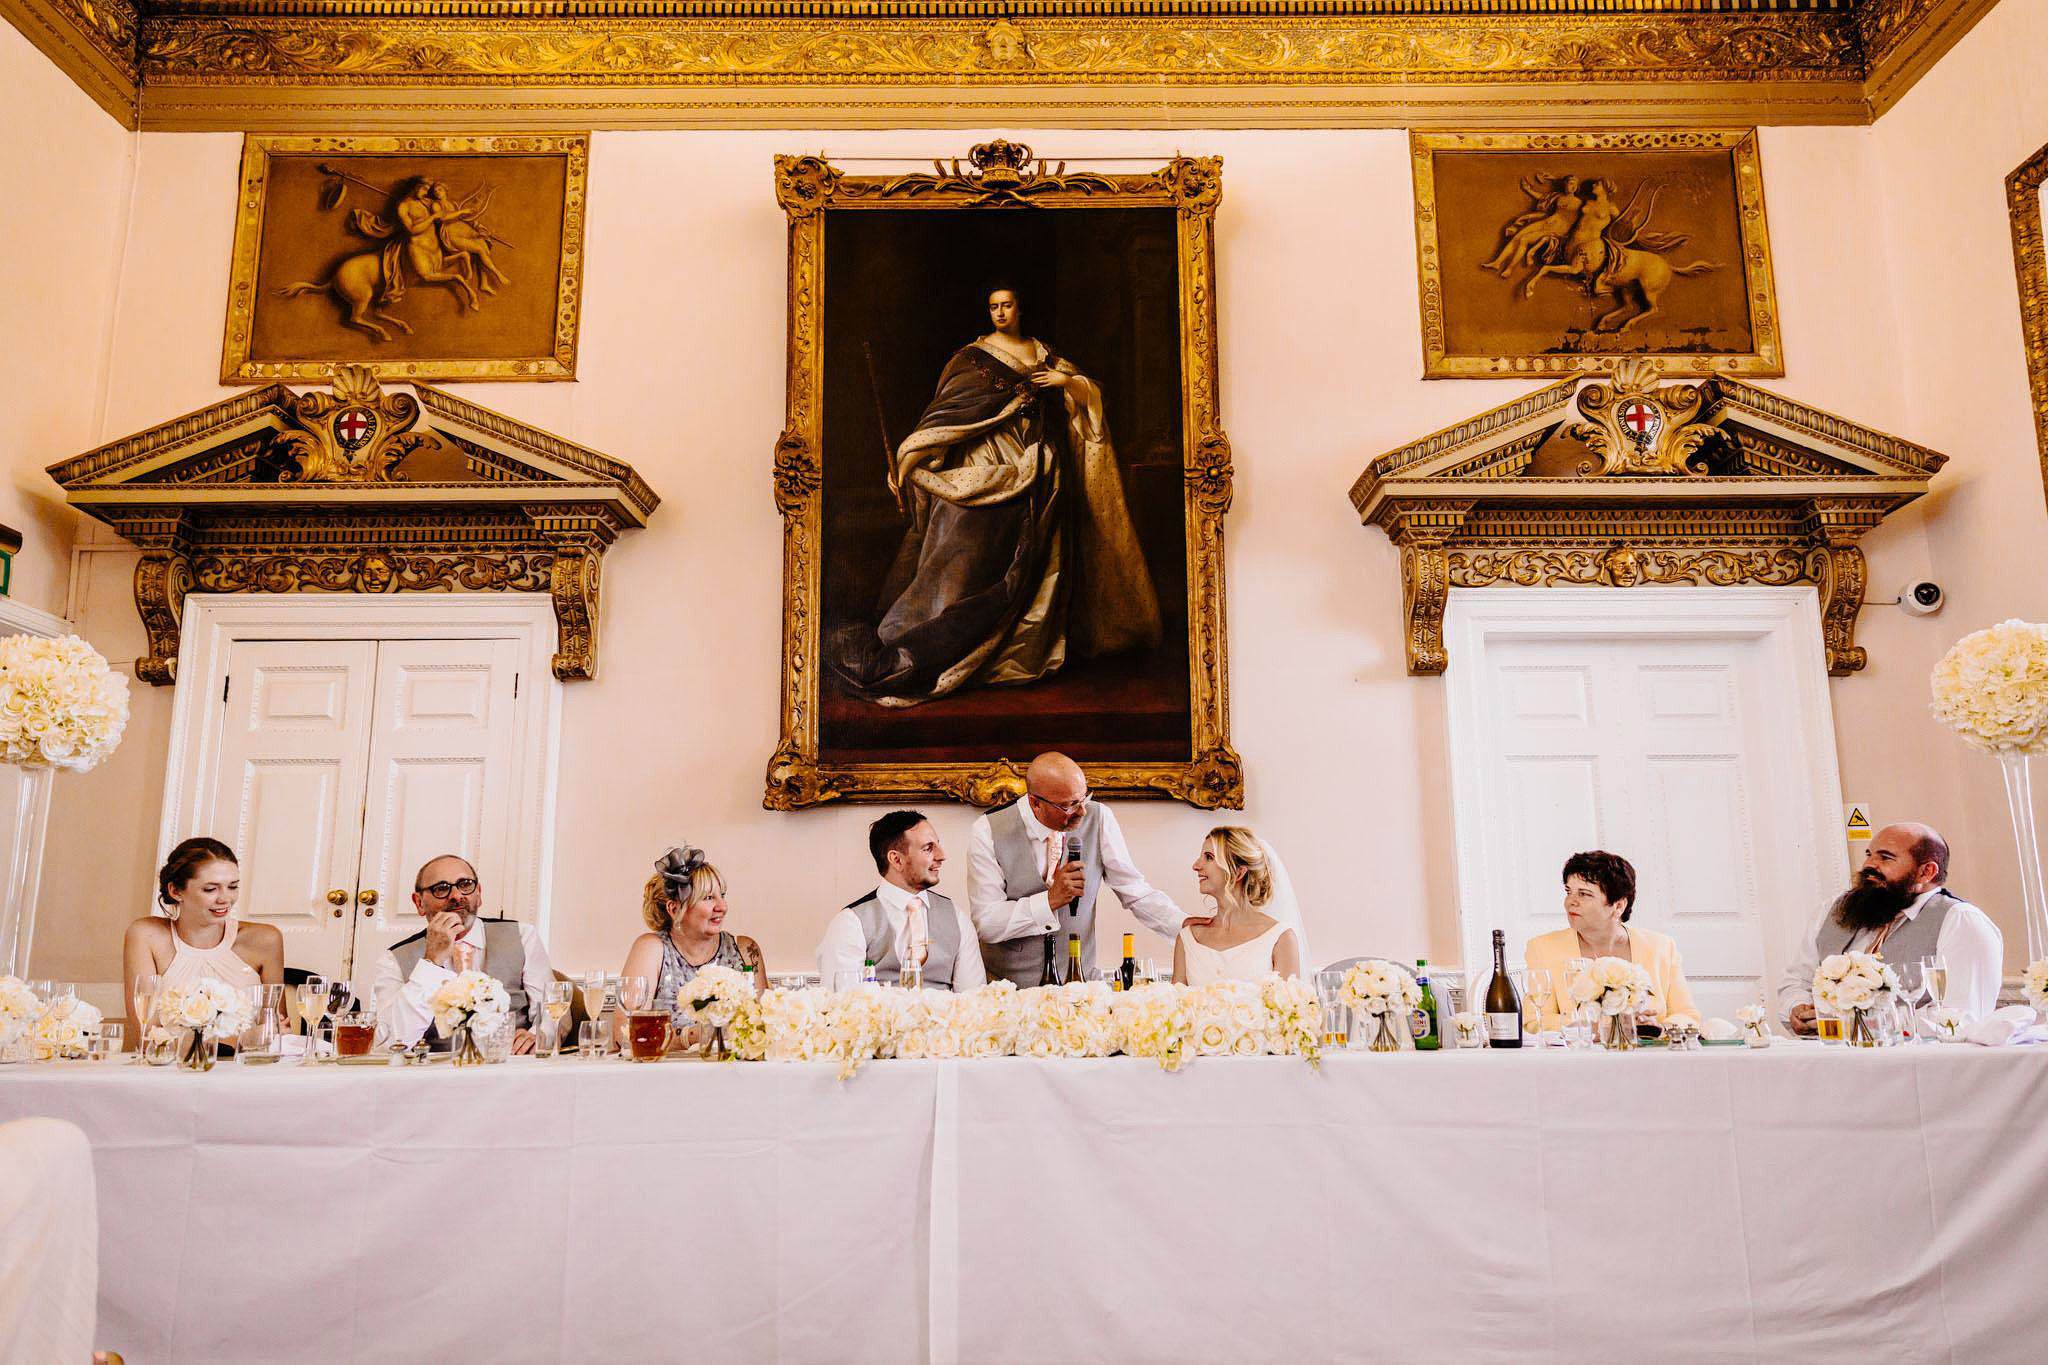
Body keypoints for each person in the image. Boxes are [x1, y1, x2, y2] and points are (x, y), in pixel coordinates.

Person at [827, 282, 1162, 704]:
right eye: (993, 307)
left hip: (1029, 466)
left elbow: (1090, 399)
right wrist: (912, 454)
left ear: (1020, 308)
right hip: (976, 461)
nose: (999, 313)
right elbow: (946, 414)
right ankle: (933, 632)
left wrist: (1065, 382)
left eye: (1006, 306)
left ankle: (999, 645)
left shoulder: (1046, 355)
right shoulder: (971, 358)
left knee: (1013, 556)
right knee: (958, 548)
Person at [965, 751, 1189, 986]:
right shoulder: (987, 831)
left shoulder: (1099, 818)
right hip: (1009, 995)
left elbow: (1135, 891)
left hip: (1081, 988)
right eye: (1068, 805)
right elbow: (987, 922)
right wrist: (1049, 901)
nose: (1082, 811)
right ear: (1035, 803)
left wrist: (1185, 927)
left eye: (1083, 798)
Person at [1779, 822, 2003, 1032]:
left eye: (1885, 858)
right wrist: (1797, 1006)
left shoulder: (1961, 921)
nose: (1868, 865)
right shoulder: (1834, 908)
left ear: (1927, 872)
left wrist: (1859, 1025)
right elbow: (1798, 980)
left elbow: (1962, 1015)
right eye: (1869, 855)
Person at [370, 854, 553, 1054]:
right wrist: (432, 961)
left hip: (509, 1068)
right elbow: (389, 1044)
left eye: (465, 885)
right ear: (419, 903)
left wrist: (538, 1035)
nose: (456, 896)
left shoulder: (522, 936)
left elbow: (552, 1010)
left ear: (479, 893)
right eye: (441, 888)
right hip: (435, 1078)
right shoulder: (394, 960)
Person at [122, 837, 283, 1037]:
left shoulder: (265, 939)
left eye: (232, 887)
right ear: (175, 891)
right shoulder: (146, 935)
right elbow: (146, 1035)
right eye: (210, 889)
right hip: (171, 1068)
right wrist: (243, 1039)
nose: (225, 899)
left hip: (248, 1067)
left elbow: (278, 1033)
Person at [1523, 850, 1699, 1031]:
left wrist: (1656, 1028)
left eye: (1584, 894)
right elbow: (1535, 1020)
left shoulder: (1661, 946)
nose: (1570, 902)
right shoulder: (1543, 948)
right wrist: (1597, 1027)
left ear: (1618, 906)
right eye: (1569, 891)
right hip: (1579, 1057)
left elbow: (1687, 1015)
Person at [817, 812, 986, 991]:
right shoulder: (850, 923)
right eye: (928, 848)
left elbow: (973, 997)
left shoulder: (957, 918)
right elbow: (842, 1004)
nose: (941, 855)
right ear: (896, 860)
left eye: (938, 845)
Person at [620, 845, 767, 1047]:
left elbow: (763, 1030)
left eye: (722, 895)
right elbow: (625, 1035)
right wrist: (692, 1036)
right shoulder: (652, 949)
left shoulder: (745, 951)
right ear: (674, 908)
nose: (722, 907)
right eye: (708, 898)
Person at [1173, 827, 1303, 985]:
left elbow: (1290, 1008)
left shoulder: (1280, 938)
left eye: (1209, 857)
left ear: (1239, 873)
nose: (1196, 865)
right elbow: (1175, 1006)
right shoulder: (1187, 939)